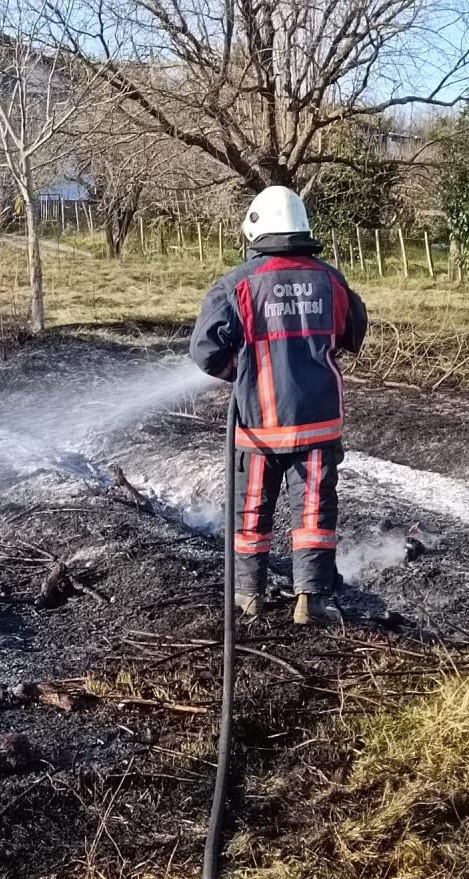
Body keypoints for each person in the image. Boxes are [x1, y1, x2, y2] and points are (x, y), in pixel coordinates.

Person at [189, 187, 368, 626]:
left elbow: (204, 349)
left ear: (257, 230)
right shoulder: (331, 280)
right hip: (318, 421)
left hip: (259, 423)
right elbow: (354, 332)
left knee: (251, 509)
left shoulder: (237, 284)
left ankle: (249, 596)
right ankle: (311, 601)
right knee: (314, 510)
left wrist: (241, 372)